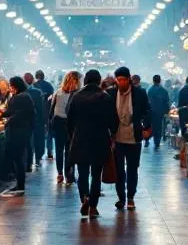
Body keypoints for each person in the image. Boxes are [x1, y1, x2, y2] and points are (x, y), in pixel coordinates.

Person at [66, 69, 116, 217]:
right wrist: (112, 134)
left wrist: (72, 136)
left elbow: (69, 121)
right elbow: (113, 121)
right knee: (96, 174)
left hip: (81, 139)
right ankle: (93, 207)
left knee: (82, 173)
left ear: (86, 80)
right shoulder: (105, 97)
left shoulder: (76, 96)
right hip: (100, 140)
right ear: (99, 80)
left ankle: (84, 198)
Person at [104, 66, 150, 211]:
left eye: (124, 79)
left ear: (129, 78)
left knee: (132, 169)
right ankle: (121, 197)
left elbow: (147, 111)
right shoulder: (110, 94)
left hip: (134, 138)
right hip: (117, 139)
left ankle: (130, 197)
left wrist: (147, 128)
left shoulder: (140, 93)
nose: (121, 82)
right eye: (119, 80)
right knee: (119, 170)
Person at [0, 75, 35, 196]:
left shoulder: (21, 97)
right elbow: (12, 111)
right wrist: (2, 115)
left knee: (18, 159)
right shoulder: (23, 95)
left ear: (15, 86)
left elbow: (17, 114)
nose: (10, 88)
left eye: (11, 85)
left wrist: (6, 120)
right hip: (22, 131)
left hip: (19, 132)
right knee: (18, 158)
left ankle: (20, 186)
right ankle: (19, 185)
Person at [49, 71, 79, 184]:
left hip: (58, 122)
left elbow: (51, 110)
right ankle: (69, 174)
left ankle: (60, 173)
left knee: (59, 149)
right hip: (71, 124)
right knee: (69, 150)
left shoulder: (58, 92)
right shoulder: (77, 94)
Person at [23, 73, 47, 172]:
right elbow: (41, 108)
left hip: (26, 121)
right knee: (36, 141)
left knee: (29, 143)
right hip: (36, 120)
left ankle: (29, 163)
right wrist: (43, 121)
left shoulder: (22, 92)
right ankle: (36, 159)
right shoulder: (37, 92)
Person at [33, 70, 55, 160]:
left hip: (37, 113)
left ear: (36, 76)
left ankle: (38, 153)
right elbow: (52, 98)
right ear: (43, 76)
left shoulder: (34, 86)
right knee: (49, 132)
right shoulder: (49, 85)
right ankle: (49, 152)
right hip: (48, 112)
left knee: (38, 134)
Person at [146, 75, 171, 151]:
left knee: (153, 126)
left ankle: (154, 140)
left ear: (153, 81)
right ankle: (157, 142)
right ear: (160, 80)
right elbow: (167, 102)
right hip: (160, 112)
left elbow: (147, 102)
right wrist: (166, 111)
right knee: (159, 127)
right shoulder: (164, 90)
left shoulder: (150, 90)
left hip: (152, 112)